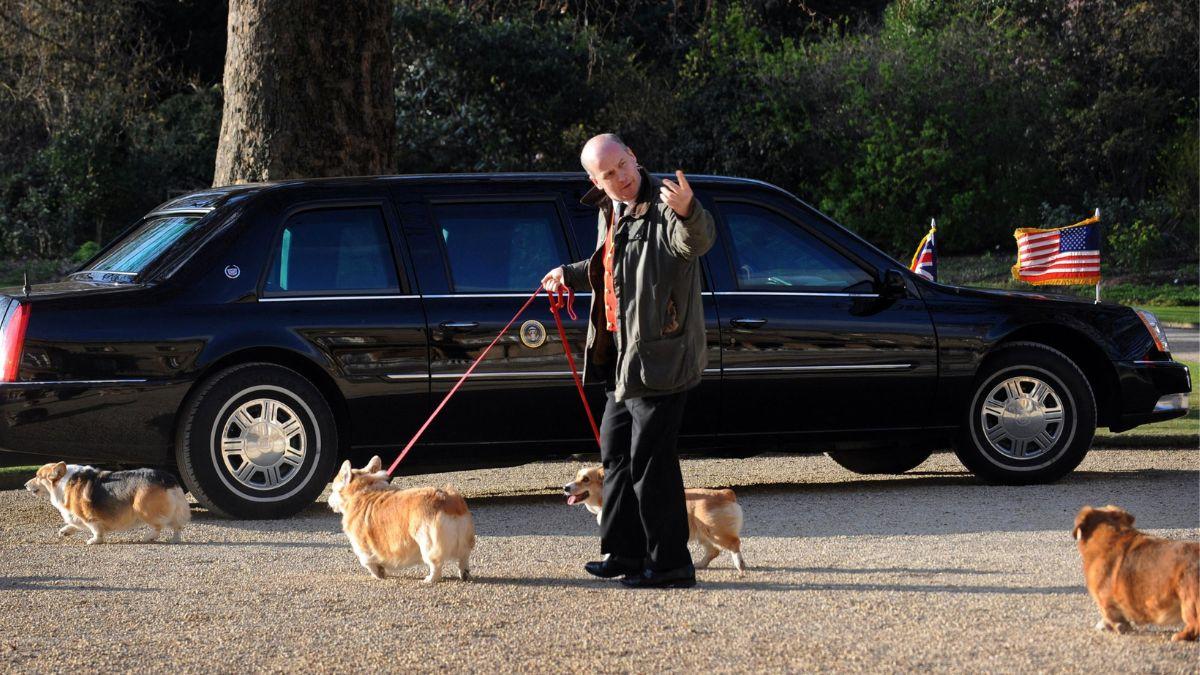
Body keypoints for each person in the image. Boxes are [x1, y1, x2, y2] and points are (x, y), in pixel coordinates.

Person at [541, 134, 715, 589]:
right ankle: (625, 553)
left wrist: (689, 211)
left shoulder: (665, 206)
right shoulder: (609, 208)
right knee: (614, 455)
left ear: (633, 157)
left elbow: (695, 242)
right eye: (607, 174)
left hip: (660, 358)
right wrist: (569, 273)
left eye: (622, 166)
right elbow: (612, 265)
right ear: (594, 179)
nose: (619, 179)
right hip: (619, 355)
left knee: (650, 463)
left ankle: (672, 564)